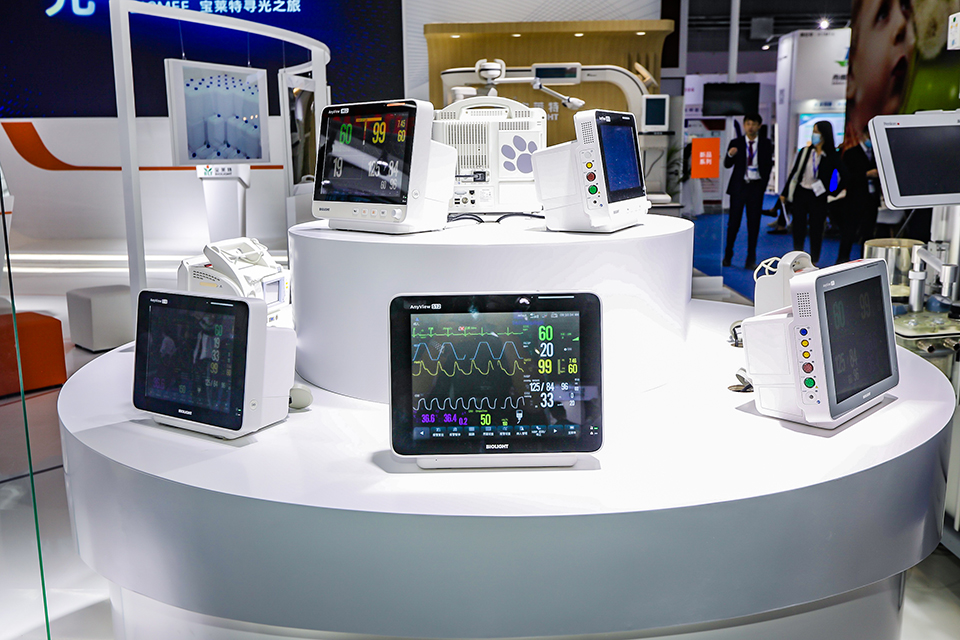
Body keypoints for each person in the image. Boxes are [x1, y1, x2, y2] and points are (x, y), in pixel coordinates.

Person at [781, 121, 846, 265]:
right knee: (798, 228)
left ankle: (814, 260)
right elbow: (795, 173)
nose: (814, 134)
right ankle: (797, 259)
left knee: (816, 229)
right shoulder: (805, 151)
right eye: (814, 131)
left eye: (817, 131)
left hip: (818, 197)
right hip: (801, 193)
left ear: (824, 134)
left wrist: (833, 193)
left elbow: (845, 176)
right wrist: (785, 192)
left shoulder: (831, 155)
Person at [722, 113, 773, 269]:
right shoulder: (736, 142)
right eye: (748, 124)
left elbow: (768, 166)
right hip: (739, 188)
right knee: (733, 224)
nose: (750, 127)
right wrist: (730, 154)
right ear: (744, 125)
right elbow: (727, 164)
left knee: (754, 225)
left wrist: (762, 186)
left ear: (759, 126)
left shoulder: (766, 143)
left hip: (755, 188)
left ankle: (751, 259)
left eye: (754, 124)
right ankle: (728, 255)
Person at [837, 127, 881, 263]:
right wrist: (866, 174)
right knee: (849, 233)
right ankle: (841, 262)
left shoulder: (878, 154)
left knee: (868, 234)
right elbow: (847, 177)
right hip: (855, 199)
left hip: (872, 199)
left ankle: (865, 263)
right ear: (864, 135)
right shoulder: (851, 153)